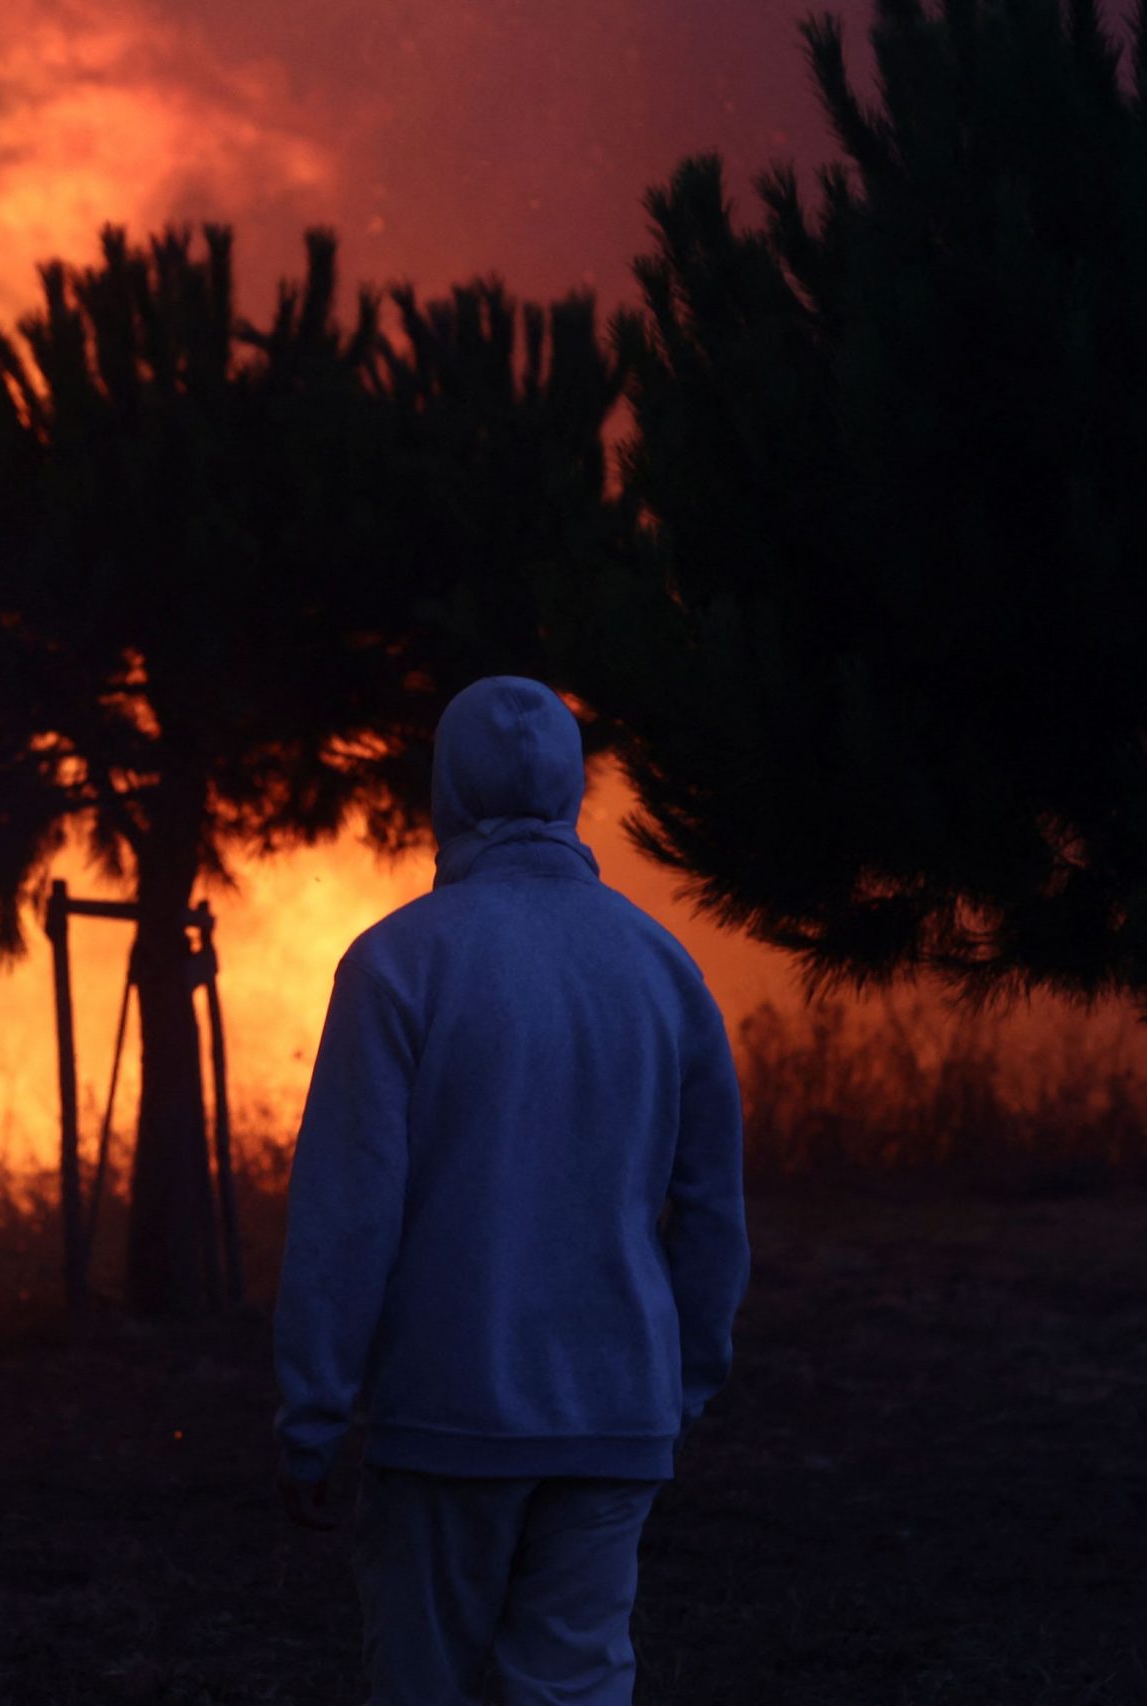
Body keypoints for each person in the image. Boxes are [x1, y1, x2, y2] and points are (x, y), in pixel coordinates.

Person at [270, 674, 752, 1706]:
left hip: (446, 1415)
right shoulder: (665, 970)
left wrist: (313, 1410)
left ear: (443, 791)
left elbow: (346, 1215)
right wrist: (684, 1384)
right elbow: (710, 1207)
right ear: (573, 793)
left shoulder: (396, 964)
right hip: (618, 1413)